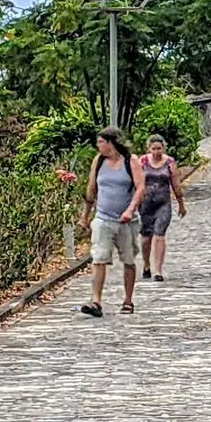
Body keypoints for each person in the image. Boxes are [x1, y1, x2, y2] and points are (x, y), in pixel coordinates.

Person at [80, 128, 145, 317]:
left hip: (127, 221)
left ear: (112, 142)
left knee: (128, 259)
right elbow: (91, 189)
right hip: (103, 218)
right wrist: (86, 215)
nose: (98, 145)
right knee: (99, 258)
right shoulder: (99, 162)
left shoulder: (130, 161)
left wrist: (130, 209)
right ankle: (96, 300)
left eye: (101, 142)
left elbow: (141, 188)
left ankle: (128, 300)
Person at [136, 132, 188, 281]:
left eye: (159, 148)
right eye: (153, 149)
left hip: (163, 202)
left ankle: (158, 270)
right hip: (146, 204)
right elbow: (136, 182)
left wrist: (181, 204)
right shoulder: (143, 162)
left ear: (163, 148)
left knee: (159, 234)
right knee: (146, 236)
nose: (156, 152)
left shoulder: (169, 162)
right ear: (149, 149)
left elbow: (176, 184)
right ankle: (146, 265)